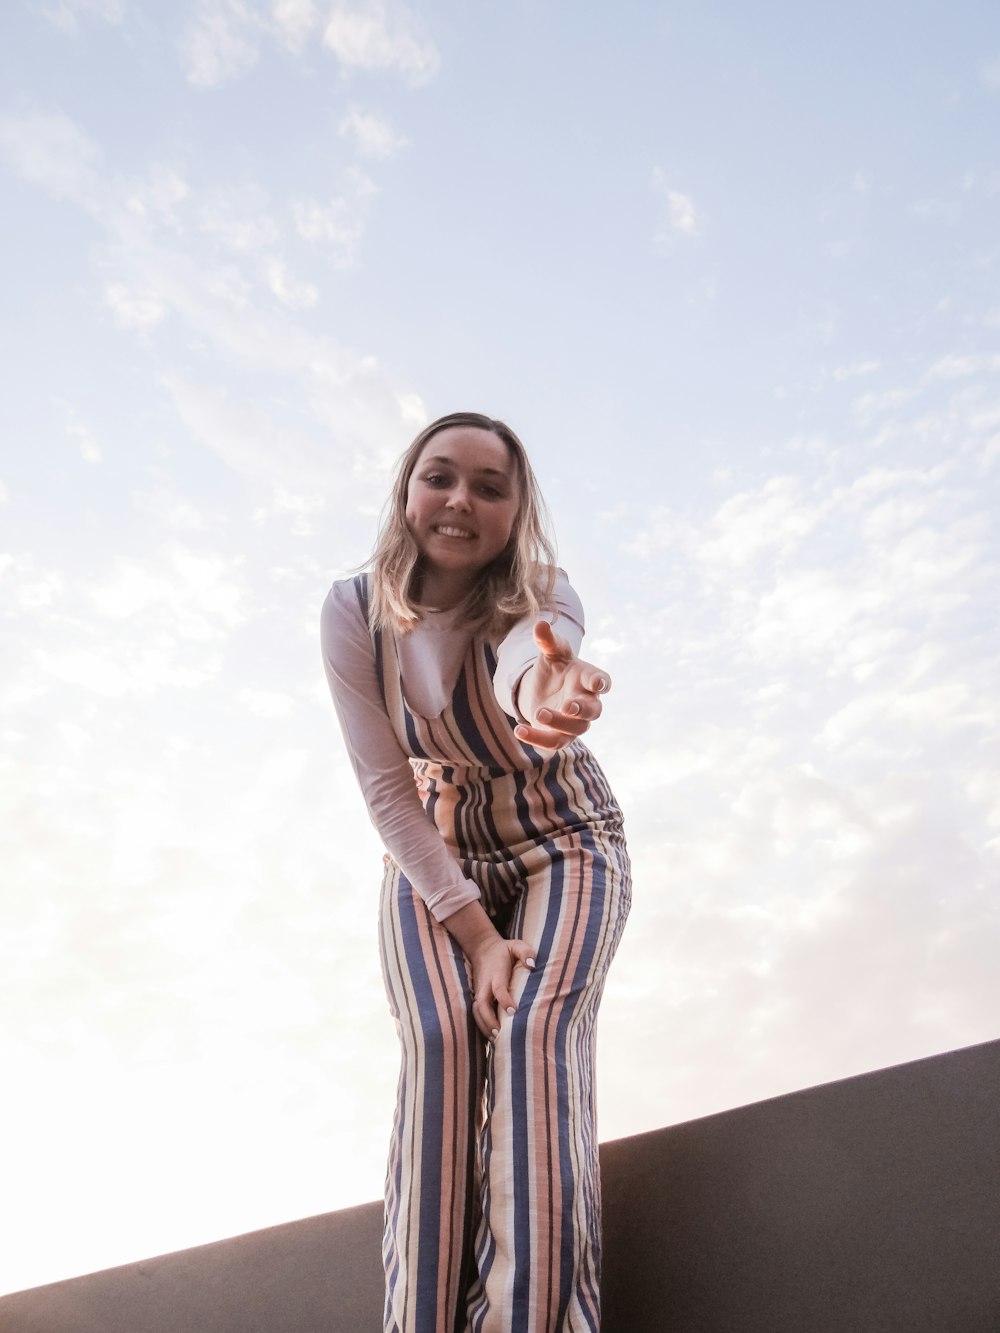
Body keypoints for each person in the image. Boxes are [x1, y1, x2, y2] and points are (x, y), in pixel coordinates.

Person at [320, 411, 631, 1333]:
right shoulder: (352, 610)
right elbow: (385, 785)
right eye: (440, 477)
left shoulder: (540, 591)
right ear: (407, 490)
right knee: (445, 1043)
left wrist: (550, 697)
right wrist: (474, 931)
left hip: (562, 838)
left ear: (514, 511)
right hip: (433, 847)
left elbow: (526, 670)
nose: (460, 500)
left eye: (490, 487)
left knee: (535, 1035)